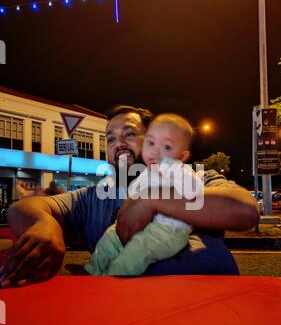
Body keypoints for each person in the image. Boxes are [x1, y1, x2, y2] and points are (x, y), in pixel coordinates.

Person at [0, 105, 259, 288]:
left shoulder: (193, 178)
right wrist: (45, 224)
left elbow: (245, 211)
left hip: (211, 310)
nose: (118, 144)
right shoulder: (93, 198)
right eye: (110, 139)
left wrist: (154, 200)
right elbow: (21, 208)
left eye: (130, 134)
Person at [85, 113, 202, 276]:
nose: (155, 151)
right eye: (151, 143)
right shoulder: (146, 173)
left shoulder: (181, 172)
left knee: (136, 252)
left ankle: (114, 277)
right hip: (142, 226)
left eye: (166, 147)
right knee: (109, 238)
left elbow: (195, 196)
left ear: (182, 156)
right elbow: (132, 194)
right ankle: (93, 270)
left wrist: (156, 200)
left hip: (168, 230)